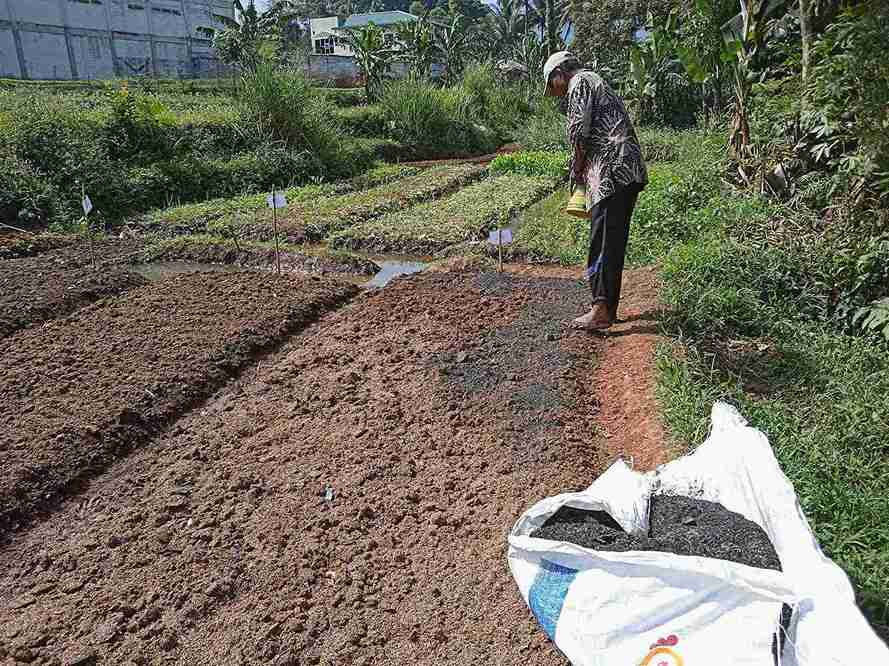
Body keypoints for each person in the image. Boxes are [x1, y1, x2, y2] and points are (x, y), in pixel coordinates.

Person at [543, 51, 648, 331]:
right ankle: (606, 309)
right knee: (611, 241)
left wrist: (576, 169)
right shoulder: (596, 80)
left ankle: (600, 310)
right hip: (626, 170)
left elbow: (578, 131)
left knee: (601, 241)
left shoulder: (579, 83)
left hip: (611, 173)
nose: (555, 93)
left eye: (552, 86)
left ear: (559, 74)